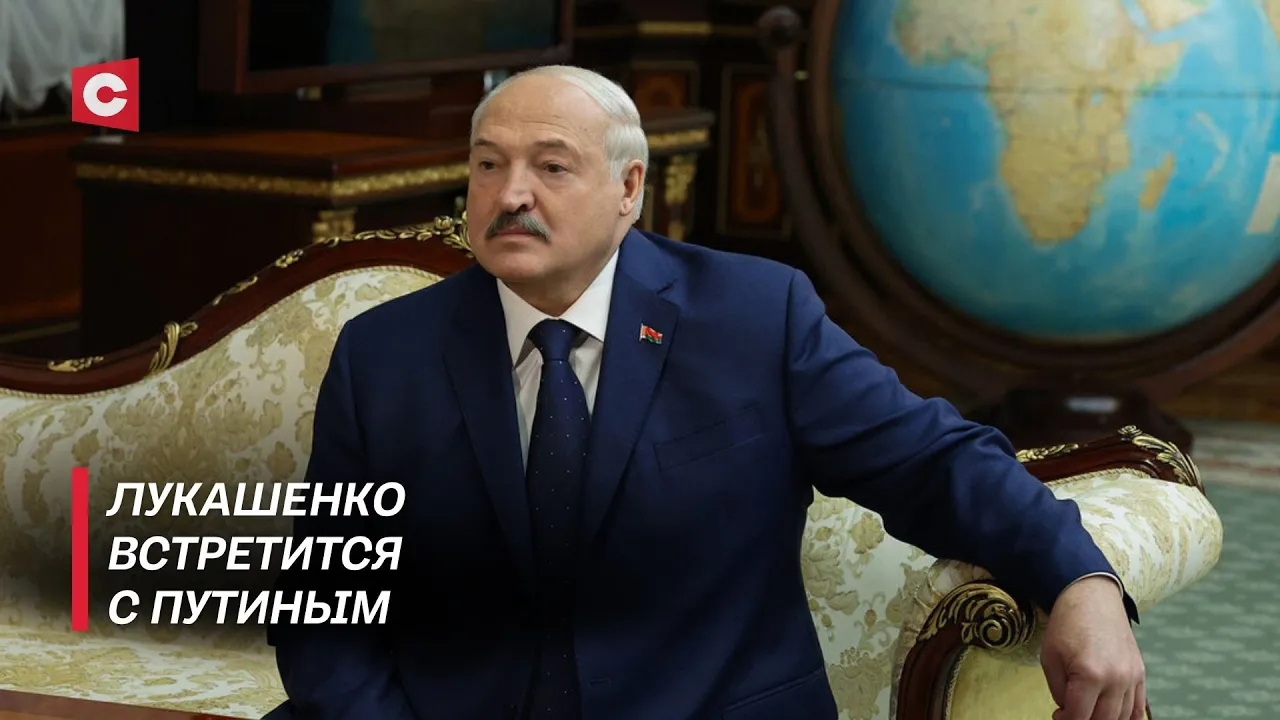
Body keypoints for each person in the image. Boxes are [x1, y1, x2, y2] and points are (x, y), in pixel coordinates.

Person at [265, 65, 1146, 720]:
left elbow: (932, 463)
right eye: (488, 165)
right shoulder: (386, 353)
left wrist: (1081, 581)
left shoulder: (756, 317)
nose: (511, 194)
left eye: (551, 167)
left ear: (629, 189)